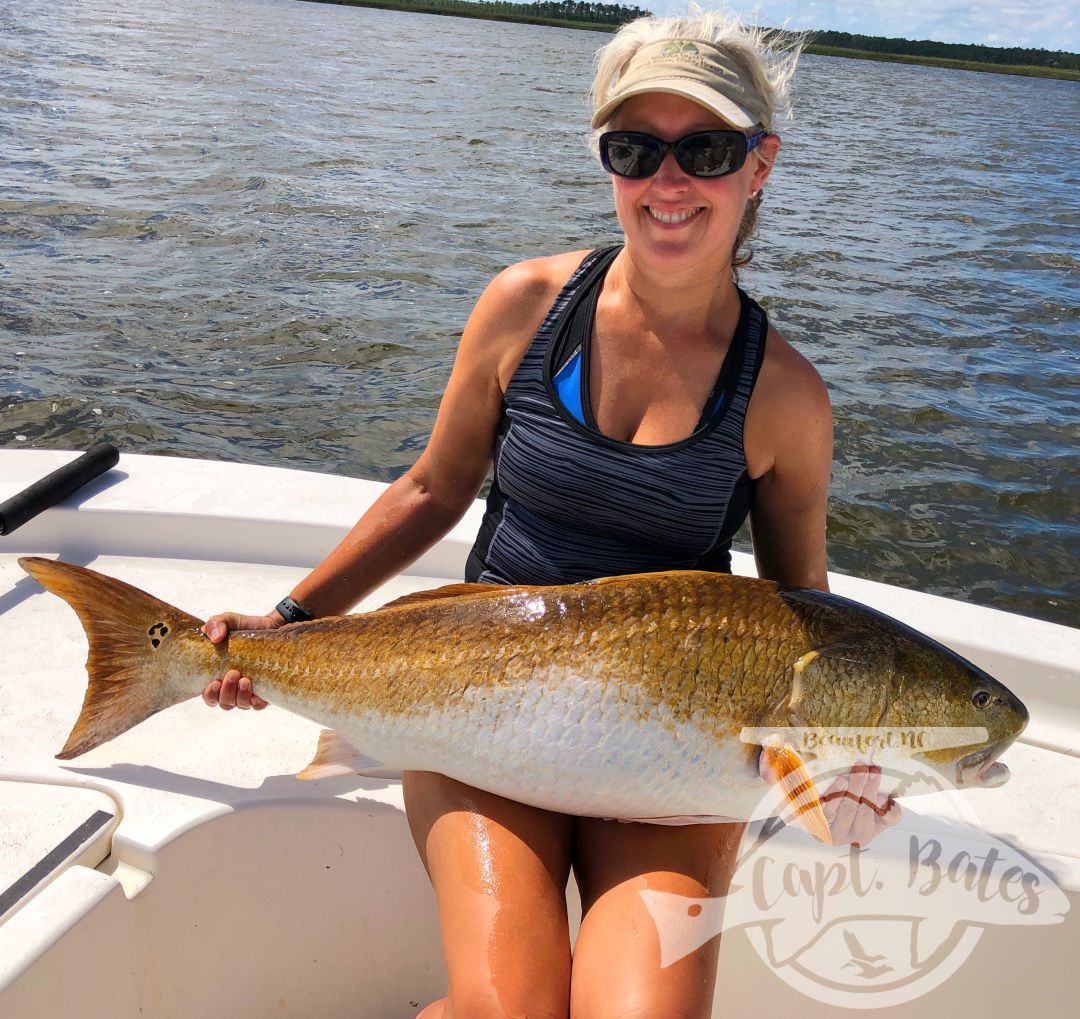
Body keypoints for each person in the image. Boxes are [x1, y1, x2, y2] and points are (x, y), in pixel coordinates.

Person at [201, 11, 900, 1017]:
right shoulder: (525, 305)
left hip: (671, 749)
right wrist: (293, 624)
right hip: (478, 700)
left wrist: (843, 749)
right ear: (606, 162)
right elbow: (433, 489)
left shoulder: (786, 396)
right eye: (634, 149)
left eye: (704, 149)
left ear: (760, 166)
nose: (667, 182)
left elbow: (800, 609)